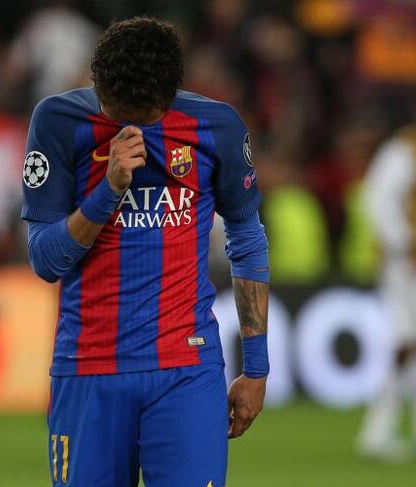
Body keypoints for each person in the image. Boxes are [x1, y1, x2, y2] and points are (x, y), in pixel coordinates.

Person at [22, 18, 270, 487]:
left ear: (170, 96)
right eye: (118, 112)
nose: (130, 124)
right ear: (97, 85)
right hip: (88, 368)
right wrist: (108, 190)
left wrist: (256, 368)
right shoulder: (58, 122)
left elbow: (247, 238)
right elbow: (46, 261)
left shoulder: (215, 126)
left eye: (144, 115)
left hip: (186, 368)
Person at [358, 86, 416, 461]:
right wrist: (405, 244)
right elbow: (377, 199)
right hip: (407, 263)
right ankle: (383, 431)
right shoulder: (404, 151)